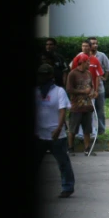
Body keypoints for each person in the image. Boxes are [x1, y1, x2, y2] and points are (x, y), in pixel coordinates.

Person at [35, 63, 75, 198]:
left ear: (51, 75)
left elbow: (62, 110)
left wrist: (59, 128)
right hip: (40, 133)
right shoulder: (37, 91)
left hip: (56, 133)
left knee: (63, 162)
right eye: (41, 75)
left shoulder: (59, 91)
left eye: (46, 75)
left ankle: (67, 187)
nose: (43, 78)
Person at [66, 53, 98, 156]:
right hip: (76, 106)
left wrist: (93, 93)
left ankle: (87, 148)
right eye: (87, 62)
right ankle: (70, 148)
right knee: (73, 129)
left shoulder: (88, 73)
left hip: (88, 106)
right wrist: (83, 91)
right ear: (82, 62)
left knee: (87, 129)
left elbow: (91, 86)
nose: (89, 63)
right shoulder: (72, 74)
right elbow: (69, 89)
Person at [70, 40, 103, 139]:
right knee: (78, 112)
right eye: (83, 46)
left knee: (89, 112)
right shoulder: (77, 59)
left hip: (90, 92)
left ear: (90, 47)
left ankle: (91, 132)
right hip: (78, 93)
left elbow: (98, 76)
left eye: (86, 46)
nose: (84, 48)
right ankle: (78, 133)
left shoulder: (95, 60)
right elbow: (72, 74)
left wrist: (96, 91)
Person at [89, 37, 109, 135]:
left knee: (100, 110)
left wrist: (105, 77)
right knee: (89, 111)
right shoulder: (84, 56)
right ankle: (89, 131)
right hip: (87, 88)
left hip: (99, 88)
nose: (95, 45)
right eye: (93, 43)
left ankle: (101, 130)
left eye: (96, 43)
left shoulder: (101, 55)